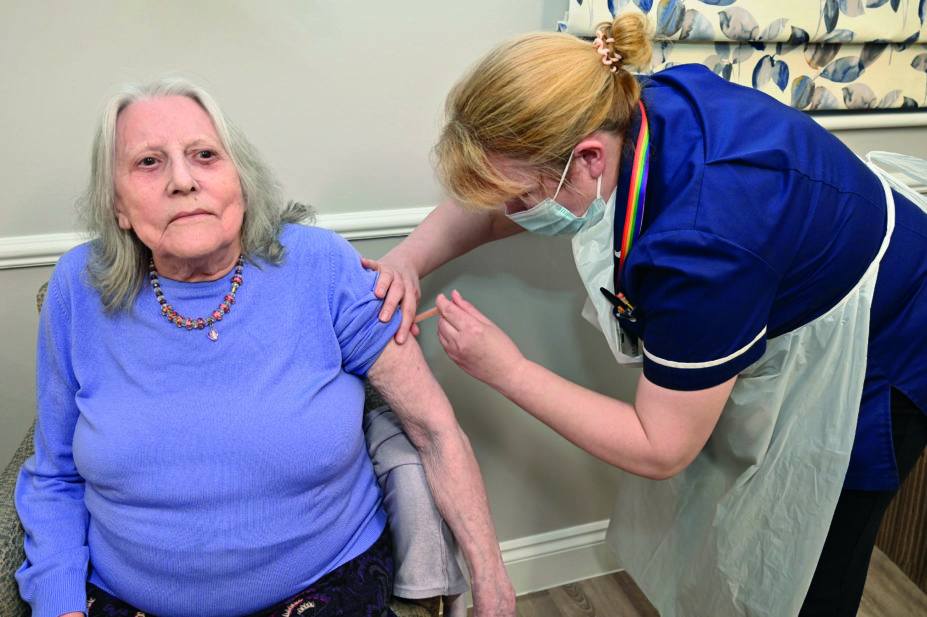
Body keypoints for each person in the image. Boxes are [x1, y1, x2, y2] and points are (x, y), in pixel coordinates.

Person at [362, 12, 927, 617]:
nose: (513, 214)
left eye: (524, 200)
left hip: (885, 341)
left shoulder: (703, 244)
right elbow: (497, 195)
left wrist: (508, 370)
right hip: (795, 257)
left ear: (588, 160)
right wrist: (408, 260)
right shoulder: (615, 104)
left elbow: (661, 448)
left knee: (818, 557)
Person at [14, 78, 516, 617]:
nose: (183, 181)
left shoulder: (320, 266)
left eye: (205, 156)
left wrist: (492, 584)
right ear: (117, 206)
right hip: (128, 598)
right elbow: (56, 473)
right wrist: (59, 601)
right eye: (148, 163)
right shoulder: (79, 287)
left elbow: (434, 431)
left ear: (242, 180)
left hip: (324, 588)